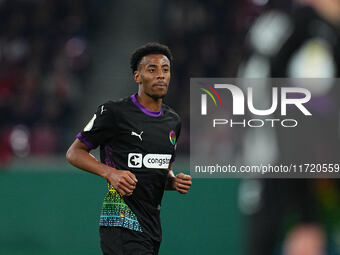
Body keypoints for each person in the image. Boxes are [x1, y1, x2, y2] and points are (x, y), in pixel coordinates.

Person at [66, 42, 192, 255]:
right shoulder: (114, 112)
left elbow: (161, 171)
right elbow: (74, 152)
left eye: (165, 69)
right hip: (120, 221)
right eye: (152, 69)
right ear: (137, 76)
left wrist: (172, 181)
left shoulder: (173, 122)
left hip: (151, 226)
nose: (160, 75)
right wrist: (110, 173)